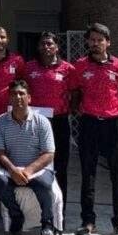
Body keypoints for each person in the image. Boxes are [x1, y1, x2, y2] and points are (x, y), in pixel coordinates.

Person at [68, 22, 118, 235]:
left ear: (108, 42)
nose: (95, 44)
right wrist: (80, 111)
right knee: (88, 174)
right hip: (89, 123)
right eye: (92, 40)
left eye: (100, 40)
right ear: (88, 42)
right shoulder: (80, 65)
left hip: (113, 124)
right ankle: (88, 221)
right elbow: (75, 93)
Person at [0, 80, 57, 235]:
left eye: (22, 94)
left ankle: (47, 222)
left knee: (44, 185)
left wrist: (28, 171)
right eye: (14, 94)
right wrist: (13, 170)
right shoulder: (0, 122)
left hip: (37, 170)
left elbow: (49, 154)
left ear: (29, 98)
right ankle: (16, 216)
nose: (18, 97)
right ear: (9, 98)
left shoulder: (42, 122)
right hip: (12, 169)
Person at [24, 31, 75, 209]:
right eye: (43, 44)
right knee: (35, 164)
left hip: (59, 122)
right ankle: (37, 209)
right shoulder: (29, 68)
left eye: (50, 44)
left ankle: (60, 210)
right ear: (38, 47)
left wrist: (68, 109)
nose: (46, 47)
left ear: (57, 47)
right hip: (35, 123)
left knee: (60, 166)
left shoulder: (68, 69)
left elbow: (76, 94)